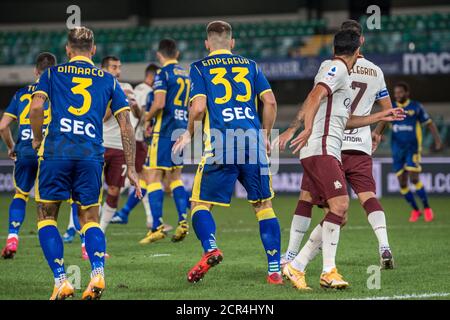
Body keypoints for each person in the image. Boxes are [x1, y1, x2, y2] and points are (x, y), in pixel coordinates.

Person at [276, 29, 404, 290]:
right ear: (359, 48)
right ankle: (319, 269)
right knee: (341, 205)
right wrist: (308, 127)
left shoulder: (340, 70)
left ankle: (300, 266)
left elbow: (345, 121)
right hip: (321, 147)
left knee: (339, 214)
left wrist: (379, 117)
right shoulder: (338, 68)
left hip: (329, 149)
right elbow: (314, 95)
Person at [29, 26, 141, 300]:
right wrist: (133, 168)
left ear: (67, 50)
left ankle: (61, 281)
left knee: (47, 216)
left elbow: (35, 107)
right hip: (91, 155)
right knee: (89, 219)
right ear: (93, 50)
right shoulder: (109, 80)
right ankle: (98, 273)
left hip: (57, 152)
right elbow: (126, 125)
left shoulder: (52, 74)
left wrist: (36, 138)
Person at [173, 20, 282, 284]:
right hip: (253, 141)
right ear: (232, 43)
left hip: (221, 143)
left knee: (200, 204)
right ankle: (274, 270)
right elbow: (270, 101)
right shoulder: (251, 65)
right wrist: (266, 135)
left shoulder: (199, 68)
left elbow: (198, 108)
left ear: (207, 43)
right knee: (263, 206)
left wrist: (189, 133)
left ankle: (210, 248)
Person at [0, 52, 56, 259]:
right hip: (49, 150)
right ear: (53, 71)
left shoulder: (21, 93)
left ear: (35, 71)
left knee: (20, 194)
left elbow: (3, 126)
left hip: (24, 150)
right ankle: (85, 247)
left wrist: (11, 146)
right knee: (62, 199)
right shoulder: (57, 91)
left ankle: (12, 238)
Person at [140, 39, 190, 244]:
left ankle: (157, 226)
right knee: (175, 178)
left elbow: (159, 103)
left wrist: (146, 117)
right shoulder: (185, 75)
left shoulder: (163, 74)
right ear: (177, 53)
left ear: (160, 55)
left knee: (153, 177)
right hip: (181, 130)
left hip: (164, 131)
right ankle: (183, 221)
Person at [111, 63, 160, 227]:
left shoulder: (136, 89)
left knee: (142, 177)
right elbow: (144, 114)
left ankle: (148, 218)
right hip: (136, 139)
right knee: (142, 177)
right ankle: (118, 212)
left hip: (125, 137)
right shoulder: (147, 91)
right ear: (152, 76)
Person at [98, 55, 141, 232]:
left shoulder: (127, 87)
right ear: (104, 70)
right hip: (100, 144)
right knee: (92, 189)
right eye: (114, 67)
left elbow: (138, 116)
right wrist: (116, 98)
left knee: (115, 189)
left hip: (119, 147)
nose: (118, 71)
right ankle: (75, 228)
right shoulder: (98, 88)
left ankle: (100, 230)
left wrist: (133, 104)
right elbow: (103, 117)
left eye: (119, 67)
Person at [391, 81, 442, 222]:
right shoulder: (392, 107)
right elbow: (383, 121)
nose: (397, 95)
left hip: (412, 148)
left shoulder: (416, 107)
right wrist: (378, 134)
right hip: (397, 150)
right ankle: (415, 210)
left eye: (400, 92)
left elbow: (429, 124)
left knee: (414, 178)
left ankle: (426, 208)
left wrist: (437, 141)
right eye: (395, 92)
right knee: (402, 183)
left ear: (407, 93)